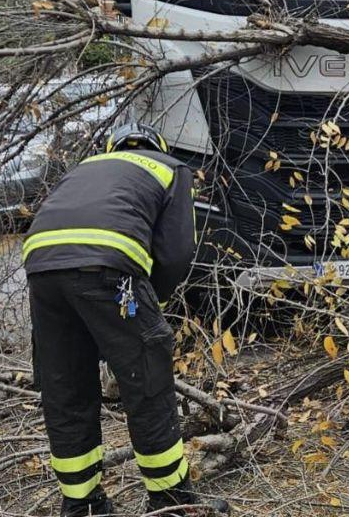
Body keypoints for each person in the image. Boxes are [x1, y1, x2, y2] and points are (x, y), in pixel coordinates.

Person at [23, 123, 227, 516]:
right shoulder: (170, 168)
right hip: (110, 266)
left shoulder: (84, 167)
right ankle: (171, 502)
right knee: (146, 382)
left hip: (42, 266)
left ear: (112, 146)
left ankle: (82, 505)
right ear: (159, 146)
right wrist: (155, 303)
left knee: (66, 388)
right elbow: (176, 252)